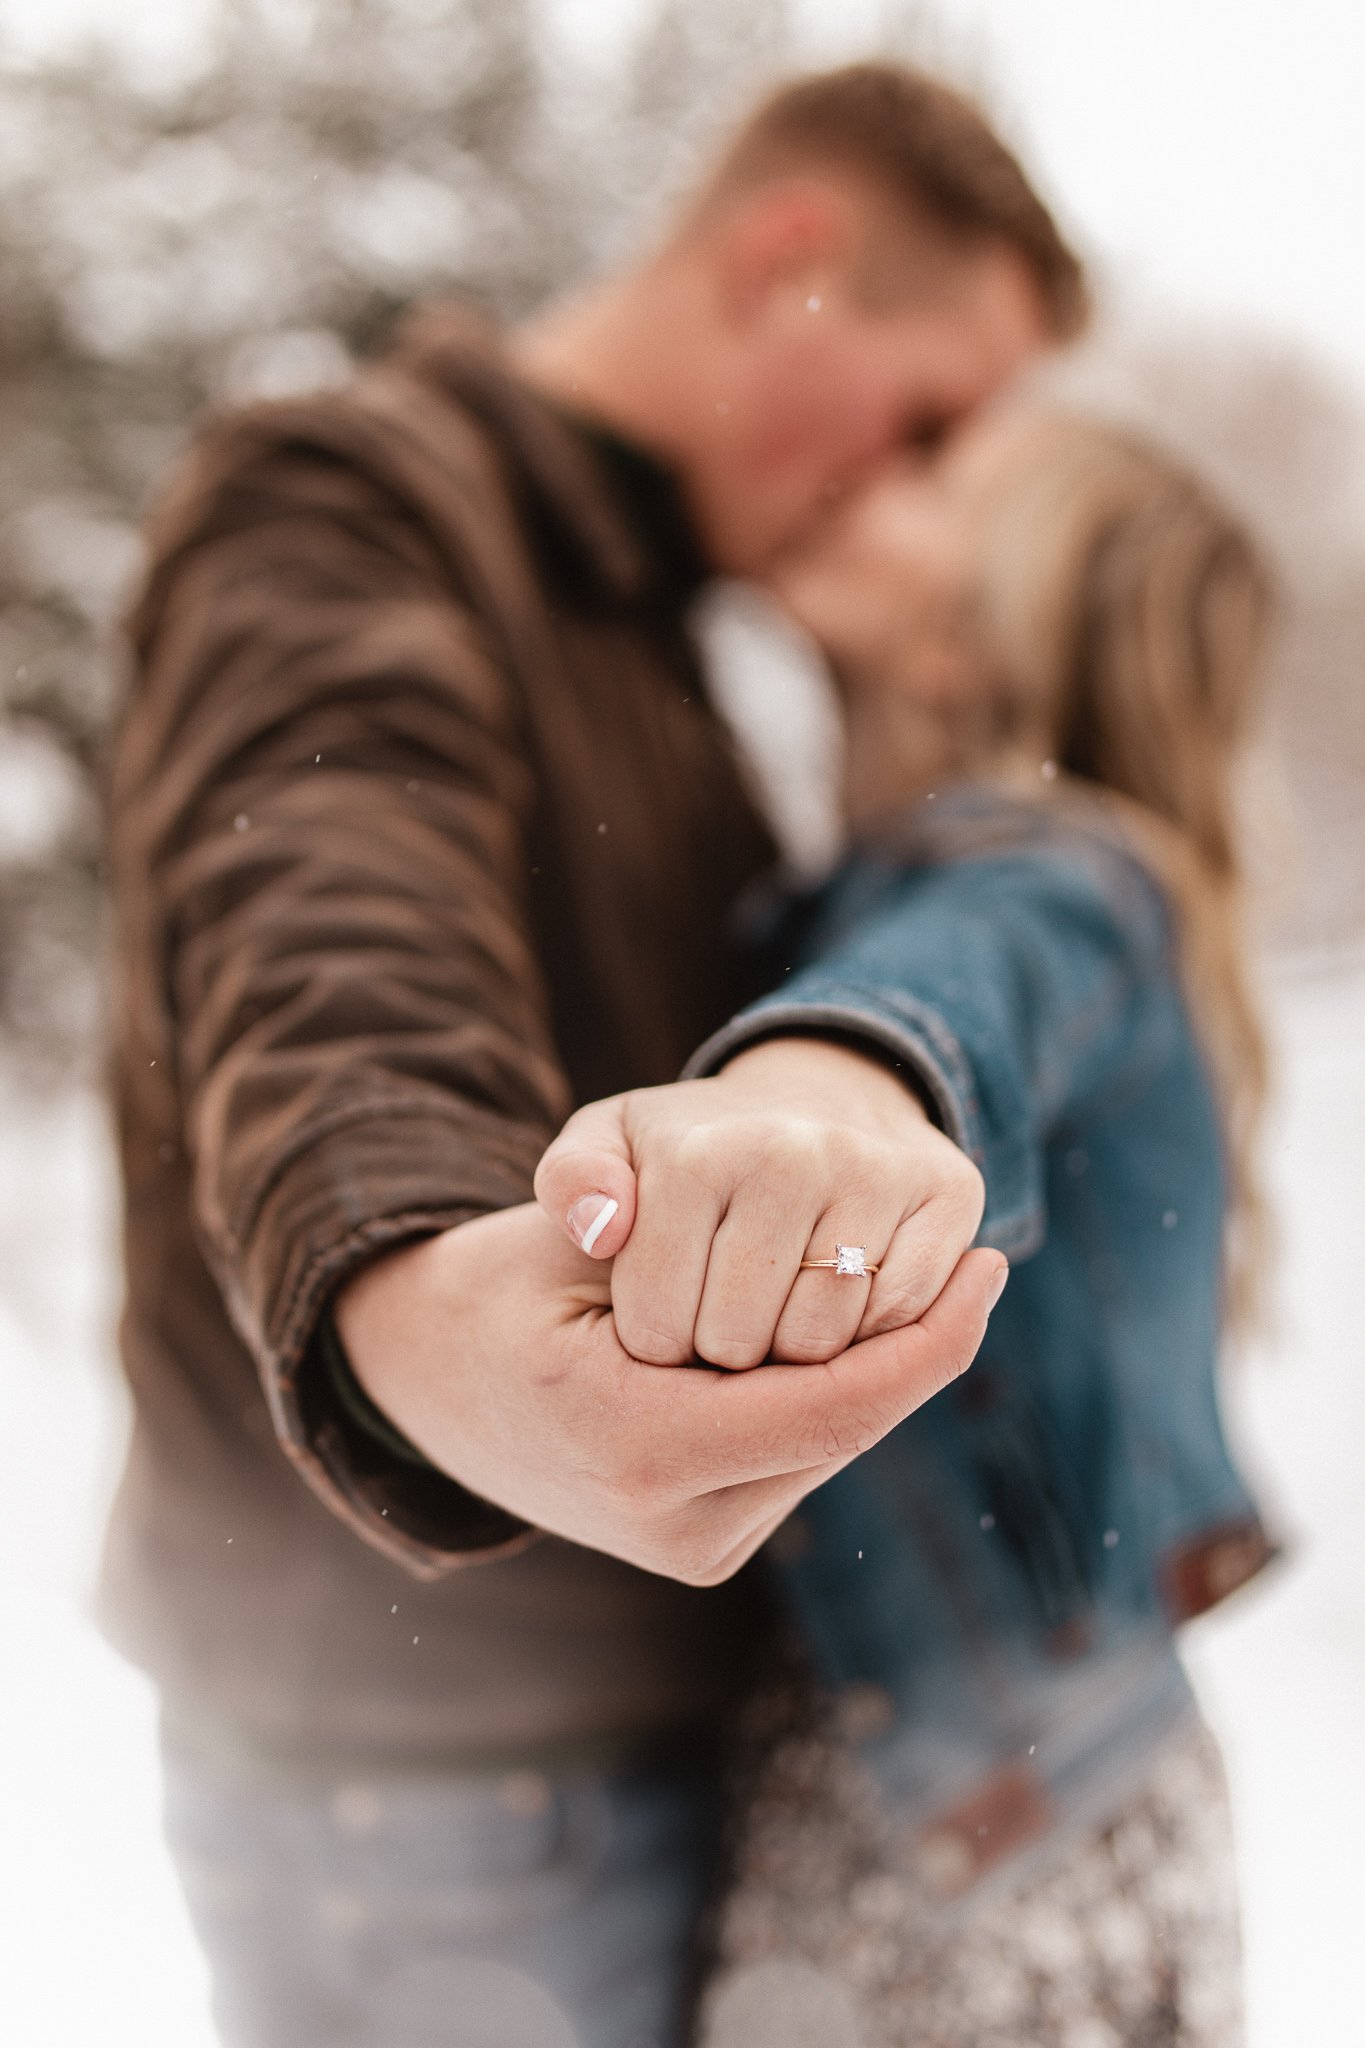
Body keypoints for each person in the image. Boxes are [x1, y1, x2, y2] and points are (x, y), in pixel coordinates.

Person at [102, 65, 1082, 2048]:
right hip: (440, 1771)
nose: (912, 494)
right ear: (787, 256)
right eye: (922, 415)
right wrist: (415, 1287)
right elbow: (325, 919)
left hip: (561, 1727)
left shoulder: (656, 627)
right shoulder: (349, 496)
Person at [564, 408, 1269, 2047]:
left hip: (997, 1833)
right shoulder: (856, 880)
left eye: (933, 478)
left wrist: (839, 1094)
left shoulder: (1059, 878)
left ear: (972, 641)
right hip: (976, 1788)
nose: (861, 466)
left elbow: (959, 993)